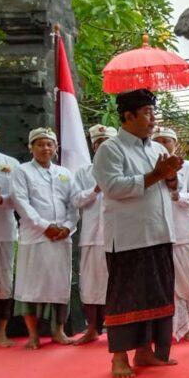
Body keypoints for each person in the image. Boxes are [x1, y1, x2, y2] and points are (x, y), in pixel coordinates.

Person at [93, 89, 183, 378]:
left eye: (153, 112)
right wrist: (156, 176)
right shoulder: (111, 149)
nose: (152, 118)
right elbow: (113, 187)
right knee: (126, 297)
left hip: (159, 232)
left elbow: (169, 189)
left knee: (155, 296)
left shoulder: (157, 149)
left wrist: (170, 176)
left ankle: (145, 352)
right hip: (128, 238)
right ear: (128, 116)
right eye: (146, 112)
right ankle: (119, 357)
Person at [11, 127, 79, 349]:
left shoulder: (65, 173)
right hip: (35, 237)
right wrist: (45, 226)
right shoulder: (21, 171)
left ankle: (58, 331)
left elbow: (73, 205)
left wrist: (68, 227)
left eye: (49, 144)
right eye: (40, 144)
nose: (45, 148)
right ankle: (33, 335)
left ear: (56, 148)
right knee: (31, 285)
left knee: (59, 285)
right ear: (31, 147)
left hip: (61, 238)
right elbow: (21, 202)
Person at [152, 127, 189, 343]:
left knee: (186, 282)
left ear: (175, 143)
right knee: (161, 283)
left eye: (168, 140)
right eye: (159, 141)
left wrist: (177, 196)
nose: (164, 144)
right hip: (156, 233)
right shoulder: (149, 170)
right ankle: (163, 329)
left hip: (183, 232)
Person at [72, 124, 117, 345]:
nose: (101, 146)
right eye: (97, 142)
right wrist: (95, 189)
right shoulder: (83, 172)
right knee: (90, 283)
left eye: (105, 142)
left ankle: (116, 328)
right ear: (92, 145)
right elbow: (76, 200)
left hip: (117, 237)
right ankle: (92, 327)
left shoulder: (122, 168)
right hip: (91, 236)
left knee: (115, 283)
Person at [0, 118, 18, 348]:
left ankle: (1, 332)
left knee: (5, 282)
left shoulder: (10, 163)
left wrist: (1, 199)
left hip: (5, 229)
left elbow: (20, 198)